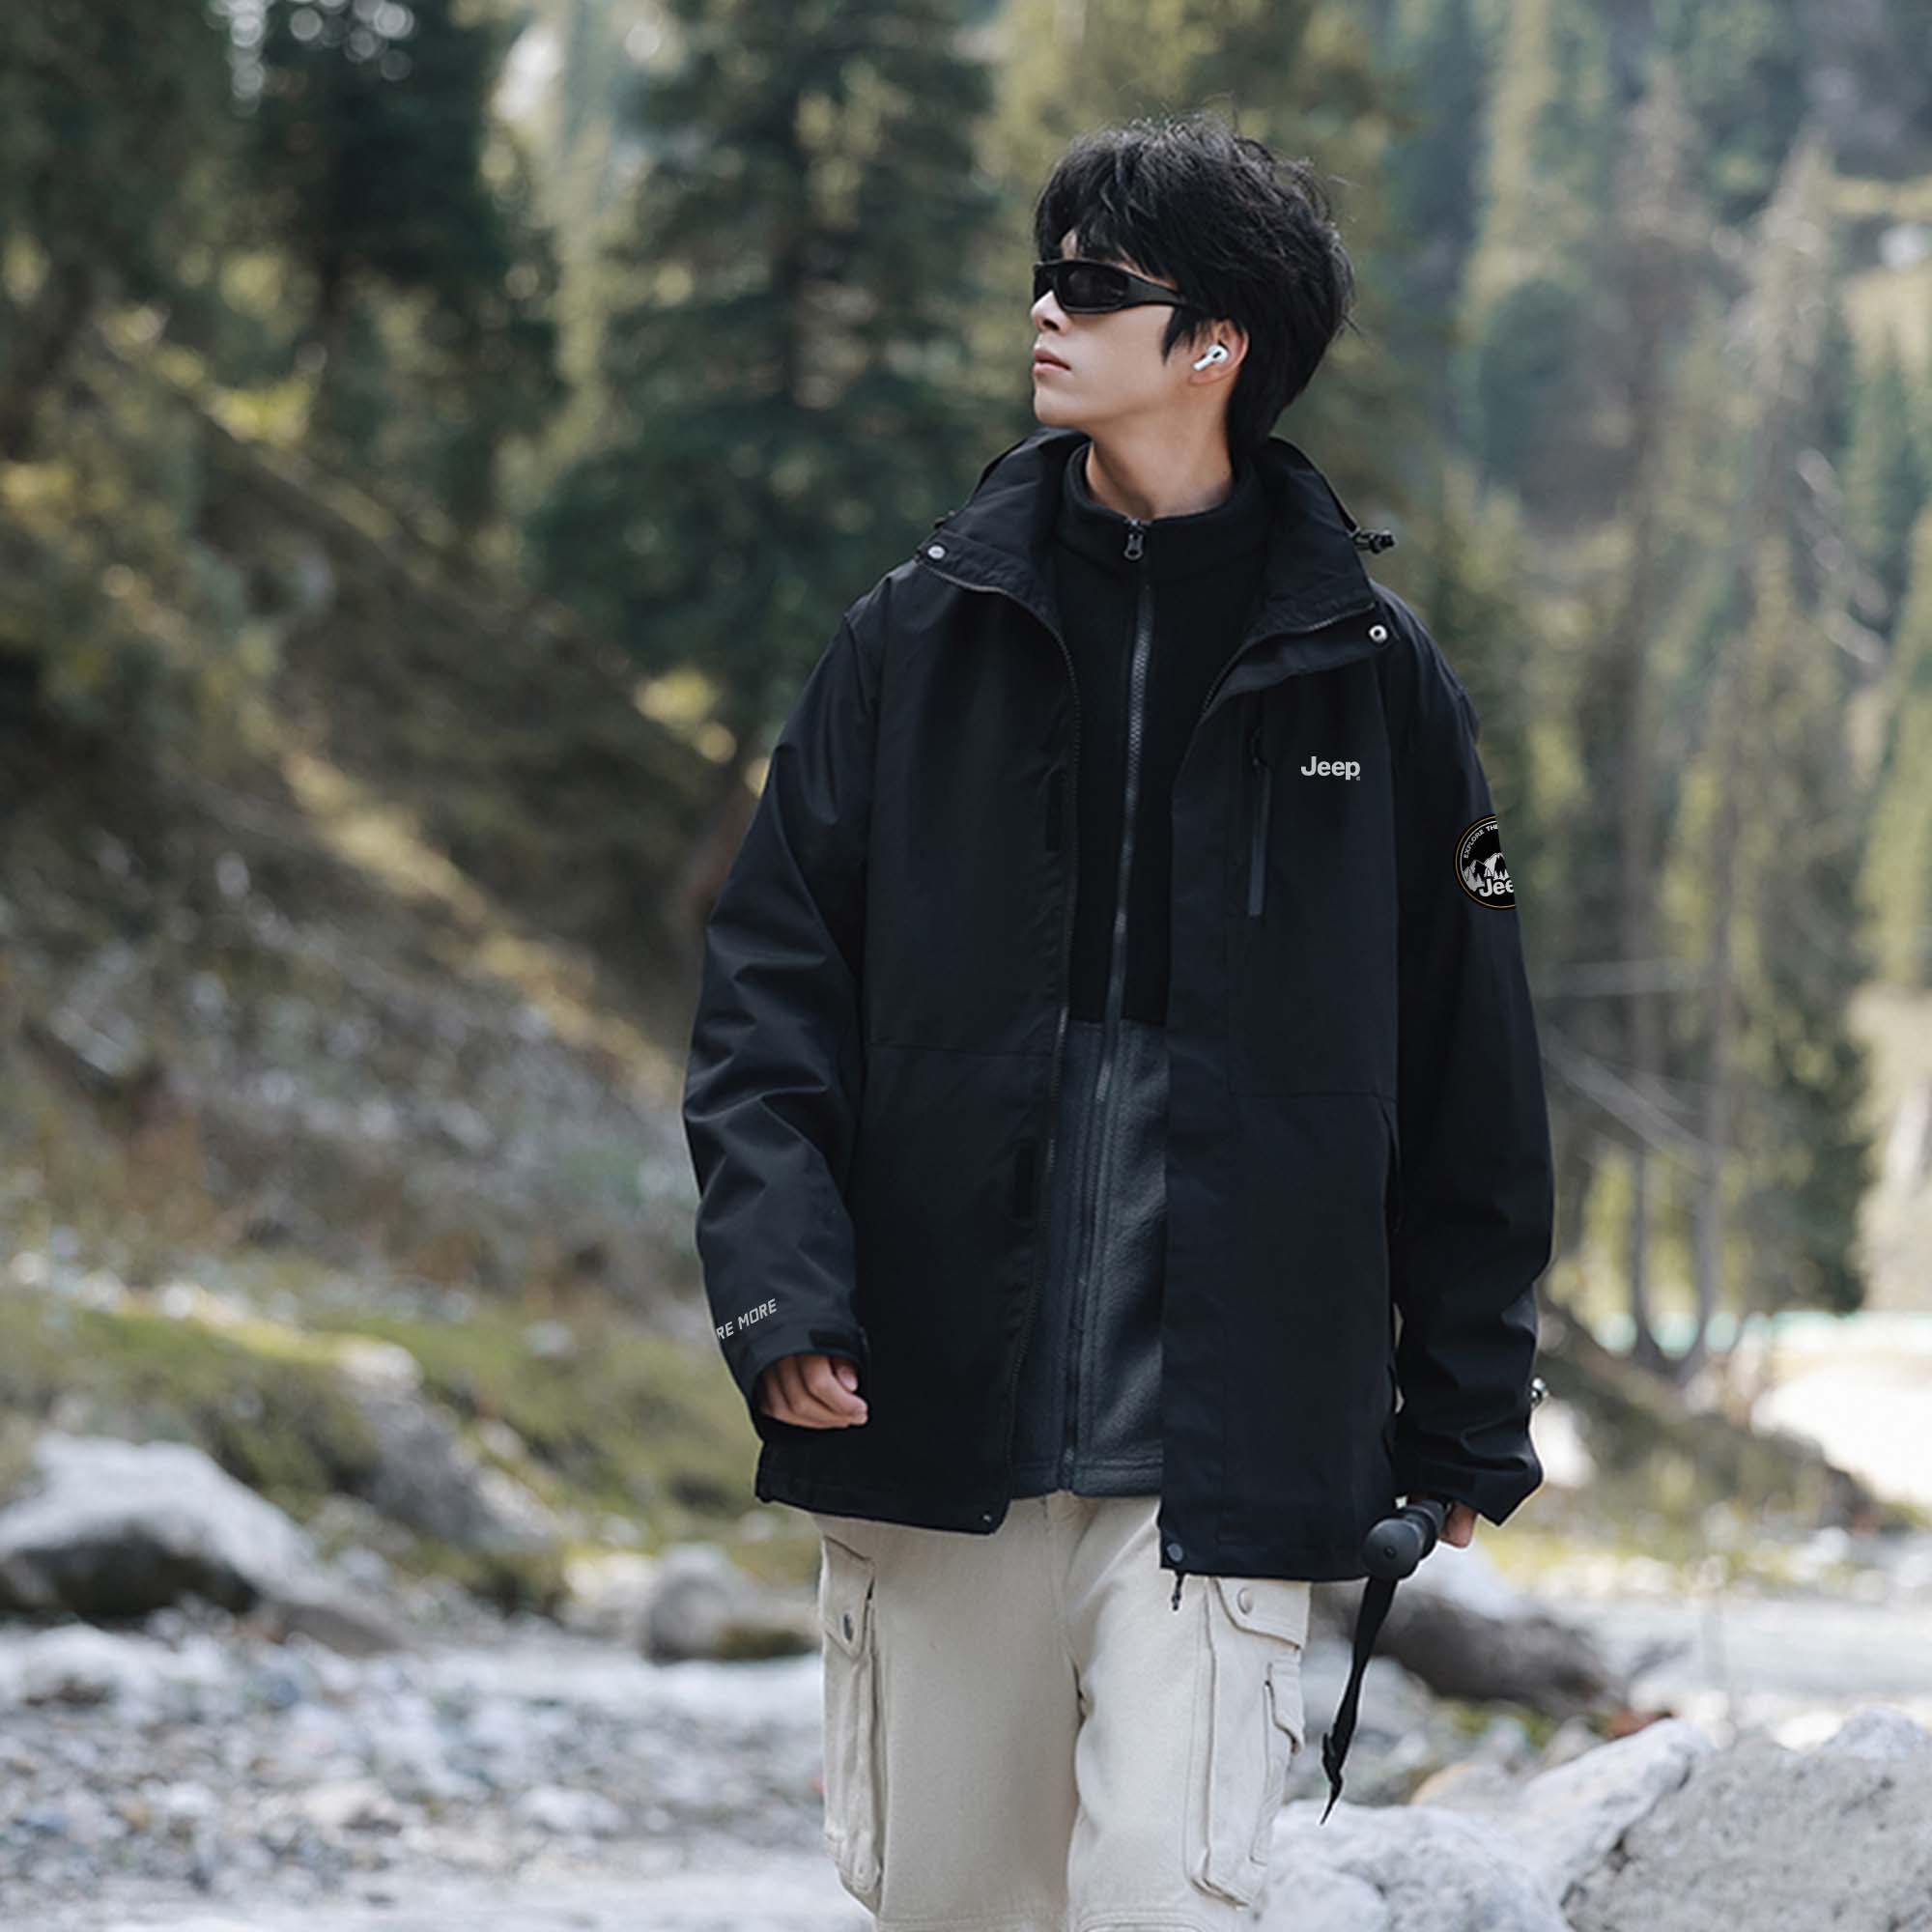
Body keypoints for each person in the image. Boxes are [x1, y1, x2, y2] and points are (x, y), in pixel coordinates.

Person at [682, 110, 1555, 1931]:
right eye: (1045, 274)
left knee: (1171, 1897)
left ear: (1217, 340)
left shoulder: (1379, 685)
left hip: (1229, 1445)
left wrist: (1467, 1405)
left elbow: (1473, 1057)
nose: (1046, 310)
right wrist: (780, 1290)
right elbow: (770, 988)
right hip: (936, 1413)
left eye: (1094, 284)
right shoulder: (915, 637)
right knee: (953, 1905)